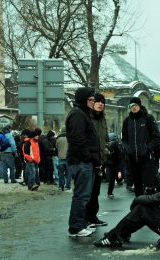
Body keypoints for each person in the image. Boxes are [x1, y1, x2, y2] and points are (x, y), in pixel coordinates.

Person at [93, 159, 160, 247]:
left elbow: (156, 198)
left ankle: (112, 238)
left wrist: (137, 199)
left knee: (142, 209)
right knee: (145, 208)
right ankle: (121, 234)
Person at [66, 87, 99, 237]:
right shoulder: (78, 115)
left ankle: (82, 223)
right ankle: (76, 227)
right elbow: (78, 139)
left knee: (85, 194)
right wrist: (87, 157)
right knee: (81, 194)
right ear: (83, 100)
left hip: (84, 161)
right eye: (90, 100)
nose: (93, 102)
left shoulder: (82, 114)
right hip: (81, 161)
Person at [121, 97, 160, 196]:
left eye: (135, 105)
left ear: (139, 106)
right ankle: (139, 208)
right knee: (137, 186)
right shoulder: (127, 121)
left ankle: (155, 207)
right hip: (133, 158)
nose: (133, 107)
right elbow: (124, 139)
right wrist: (127, 149)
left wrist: (147, 149)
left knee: (150, 184)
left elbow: (156, 137)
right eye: (131, 106)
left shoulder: (148, 118)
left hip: (147, 157)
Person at [87, 92, 109, 227]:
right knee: (87, 191)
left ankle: (92, 216)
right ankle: (84, 217)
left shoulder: (103, 119)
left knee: (96, 191)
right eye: (98, 101)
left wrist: (106, 151)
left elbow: (104, 140)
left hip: (100, 159)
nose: (101, 104)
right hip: (89, 159)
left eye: (103, 102)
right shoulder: (87, 118)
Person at [105, 132, 125, 198]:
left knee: (112, 178)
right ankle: (110, 192)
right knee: (112, 178)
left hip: (113, 162)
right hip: (112, 162)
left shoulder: (113, 145)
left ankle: (110, 192)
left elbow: (119, 157)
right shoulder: (117, 144)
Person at [56, 127, 71, 191]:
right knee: (69, 173)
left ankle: (61, 186)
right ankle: (67, 186)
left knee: (61, 174)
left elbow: (56, 147)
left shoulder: (58, 139)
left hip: (60, 158)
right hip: (68, 158)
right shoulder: (69, 138)